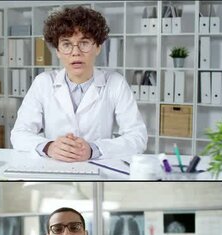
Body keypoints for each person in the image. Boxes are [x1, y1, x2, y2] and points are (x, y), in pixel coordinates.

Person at [10, 7, 147, 162]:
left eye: (84, 43)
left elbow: (138, 137)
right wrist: (49, 147)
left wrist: (93, 149)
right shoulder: (43, 82)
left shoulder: (116, 83)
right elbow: (19, 133)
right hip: (53, 167)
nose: (76, 52)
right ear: (58, 51)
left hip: (98, 167)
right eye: (67, 44)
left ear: (98, 47)